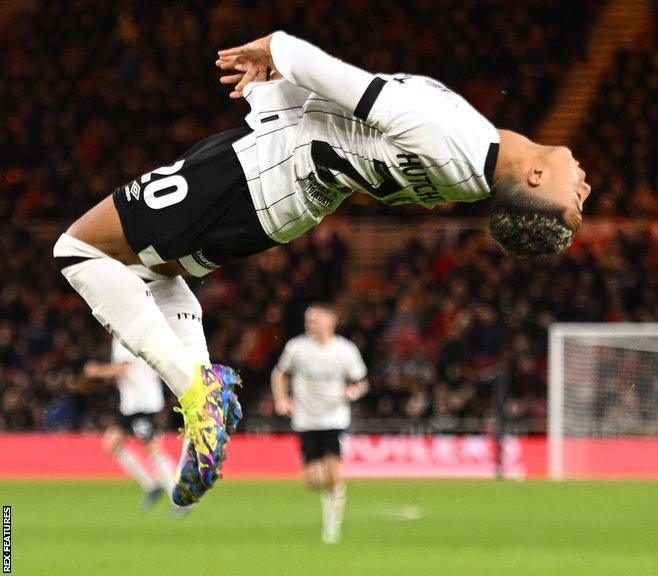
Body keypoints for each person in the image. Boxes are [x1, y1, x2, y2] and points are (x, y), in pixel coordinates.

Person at [53, 30, 590, 505]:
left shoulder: (458, 142)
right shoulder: (468, 177)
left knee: (77, 250)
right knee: (154, 274)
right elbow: (346, 126)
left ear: (537, 179)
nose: (584, 189)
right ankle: (201, 413)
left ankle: (198, 394)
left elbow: (336, 79)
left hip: (252, 175)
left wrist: (275, 49)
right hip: (282, 208)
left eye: (575, 203)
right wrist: (270, 89)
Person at [271, 303, 368, 543]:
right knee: (312, 481)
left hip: (334, 418)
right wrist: (282, 399)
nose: (310, 324)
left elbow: (362, 382)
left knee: (334, 473)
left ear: (330, 322)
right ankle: (331, 495)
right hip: (306, 419)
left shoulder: (345, 350)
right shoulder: (297, 348)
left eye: (315, 320)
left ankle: (332, 526)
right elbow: (279, 373)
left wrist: (352, 393)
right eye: (308, 320)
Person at [83, 339, 184, 515]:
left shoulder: (125, 335)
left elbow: (124, 368)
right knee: (112, 444)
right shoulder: (128, 332)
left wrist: (97, 371)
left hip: (143, 404)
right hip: (131, 405)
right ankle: (152, 486)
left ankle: (181, 497)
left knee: (152, 451)